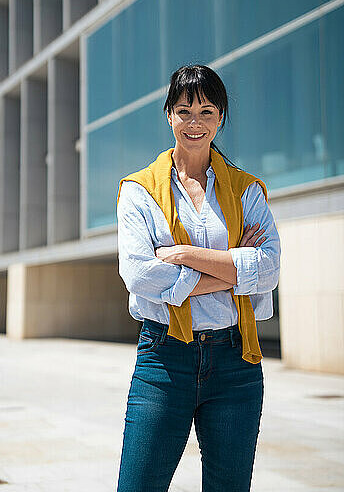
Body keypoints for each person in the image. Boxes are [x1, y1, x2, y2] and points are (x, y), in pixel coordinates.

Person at [115, 64, 281, 492]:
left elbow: (270, 268)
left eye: (207, 111)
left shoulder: (248, 190)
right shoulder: (139, 190)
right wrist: (232, 267)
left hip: (235, 363)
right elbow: (140, 274)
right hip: (164, 359)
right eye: (185, 110)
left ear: (221, 118)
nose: (195, 122)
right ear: (169, 113)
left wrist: (185, 255)